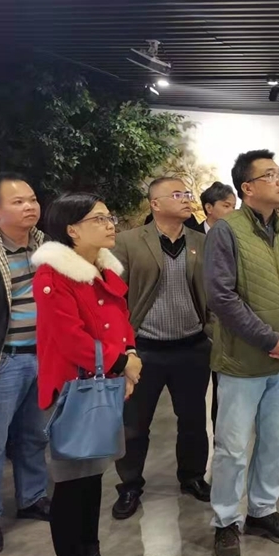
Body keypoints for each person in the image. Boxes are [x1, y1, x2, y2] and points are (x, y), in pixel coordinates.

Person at [204, 150, 279, 556]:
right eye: (270, 175)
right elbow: (221, 296)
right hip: (243, 362)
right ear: (247, 187)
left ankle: (263, 510)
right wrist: (268, 338)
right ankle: (225, 521)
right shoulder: (226, 232)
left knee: (276, 440)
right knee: (232, 447)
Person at [32, 193, 144, 556]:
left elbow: (121, 319)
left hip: (103, 383)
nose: (110, 224)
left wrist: (129, 354)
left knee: (93, 476)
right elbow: (70, 338)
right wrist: (121, 363)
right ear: (72, 230)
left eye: (110, 217)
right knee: (70, 482)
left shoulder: (103, 269)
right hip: (71, 390)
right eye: (99, 219)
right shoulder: (53, 275)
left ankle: (90, 549)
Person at [111, 177, 211, 520]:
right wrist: (124, 348)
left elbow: (213, 292)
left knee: (193, 419)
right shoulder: (127, 242)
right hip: (145, 350)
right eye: (177, 194)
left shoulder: (201, 242)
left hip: (192, 347)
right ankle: (130, 485)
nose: (186, 199)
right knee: (135, 424)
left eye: (187, 194)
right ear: (155, 204)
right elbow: (115, 298)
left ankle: (192, 476)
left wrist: (211, 332)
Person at [0, 173, 50, 556]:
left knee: (34, 437)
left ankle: (32, 497)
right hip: (1, 364)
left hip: (43, 358)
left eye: (32, 199)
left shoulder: (47, 248)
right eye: (18, 201)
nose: (29, 207)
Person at [199, 181, 237, 432]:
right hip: (193, 327)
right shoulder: (191, 236)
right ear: (209, 208)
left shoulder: (239, 237)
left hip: (225, 326)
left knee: (223, 393)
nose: (232, 212)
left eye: (234, 206)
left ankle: (221, 436)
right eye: (226, 206)